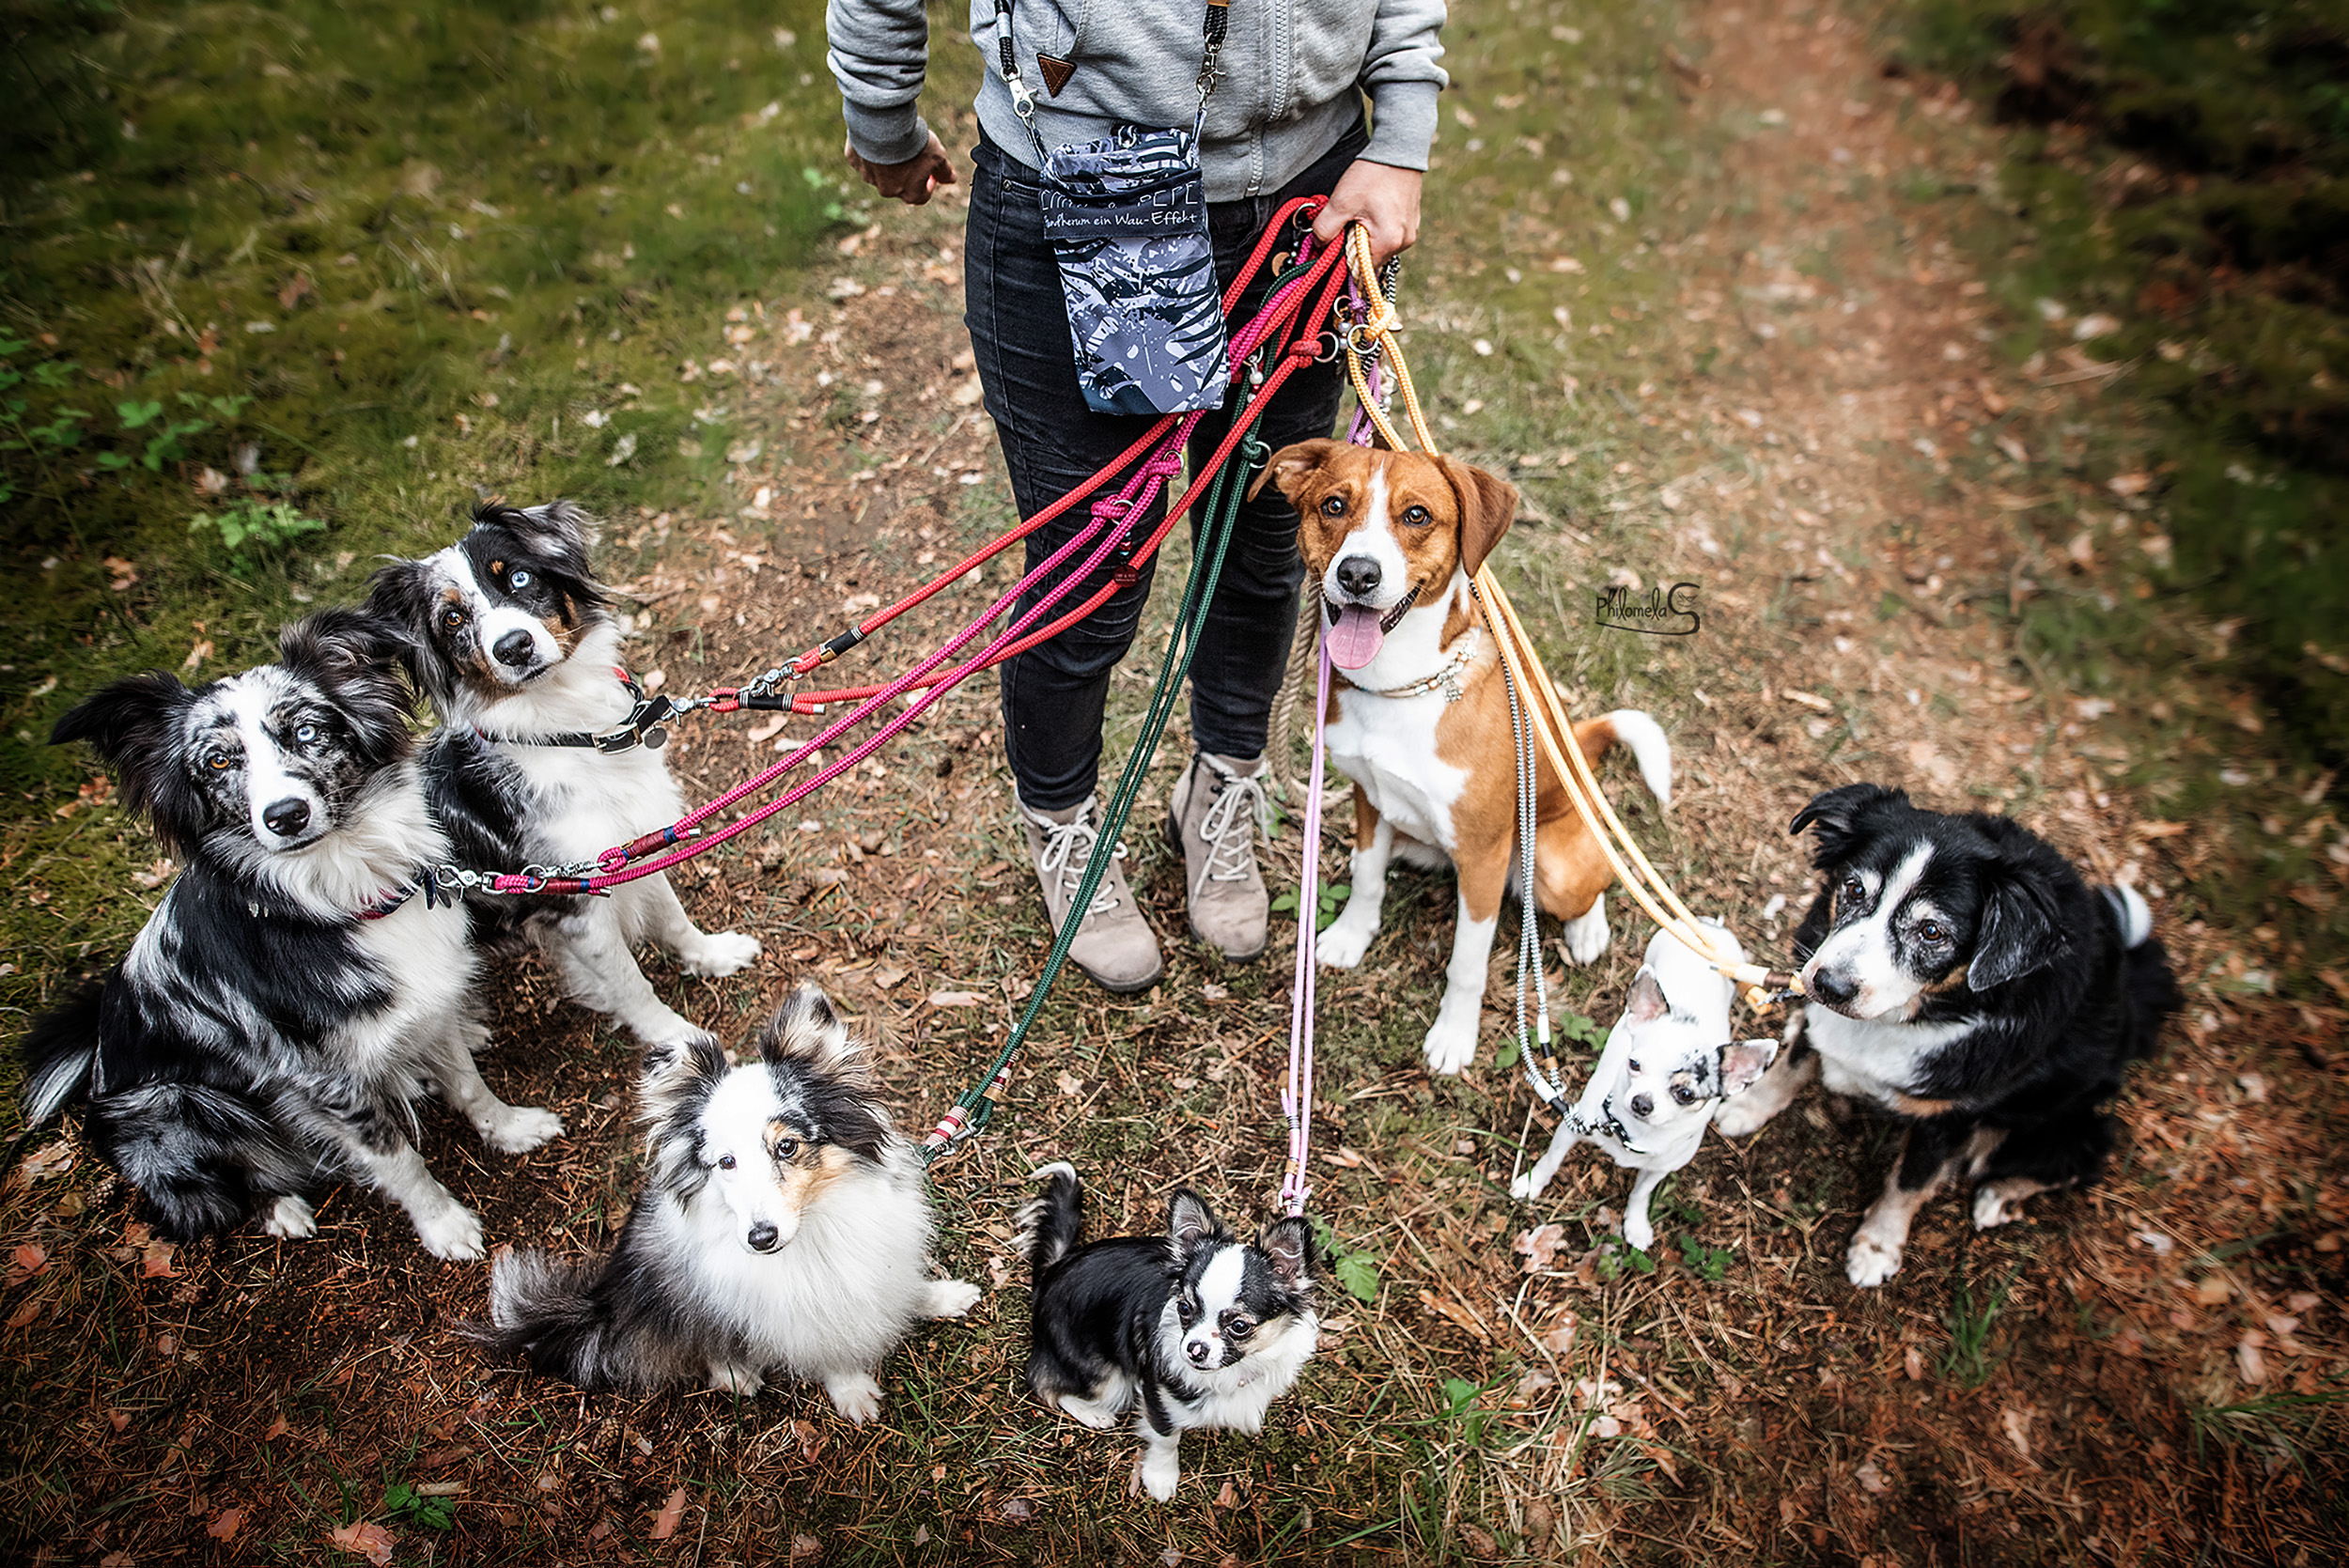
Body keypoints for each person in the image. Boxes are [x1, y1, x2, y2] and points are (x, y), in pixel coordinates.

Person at [827, 0, 1448, 992]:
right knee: (1091, 568)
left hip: (1306, 198)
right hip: (1076, 195)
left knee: (1262, 546)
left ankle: (1224, 786)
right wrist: (880, 117)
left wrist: (1401, 132)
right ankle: (1065, 826)